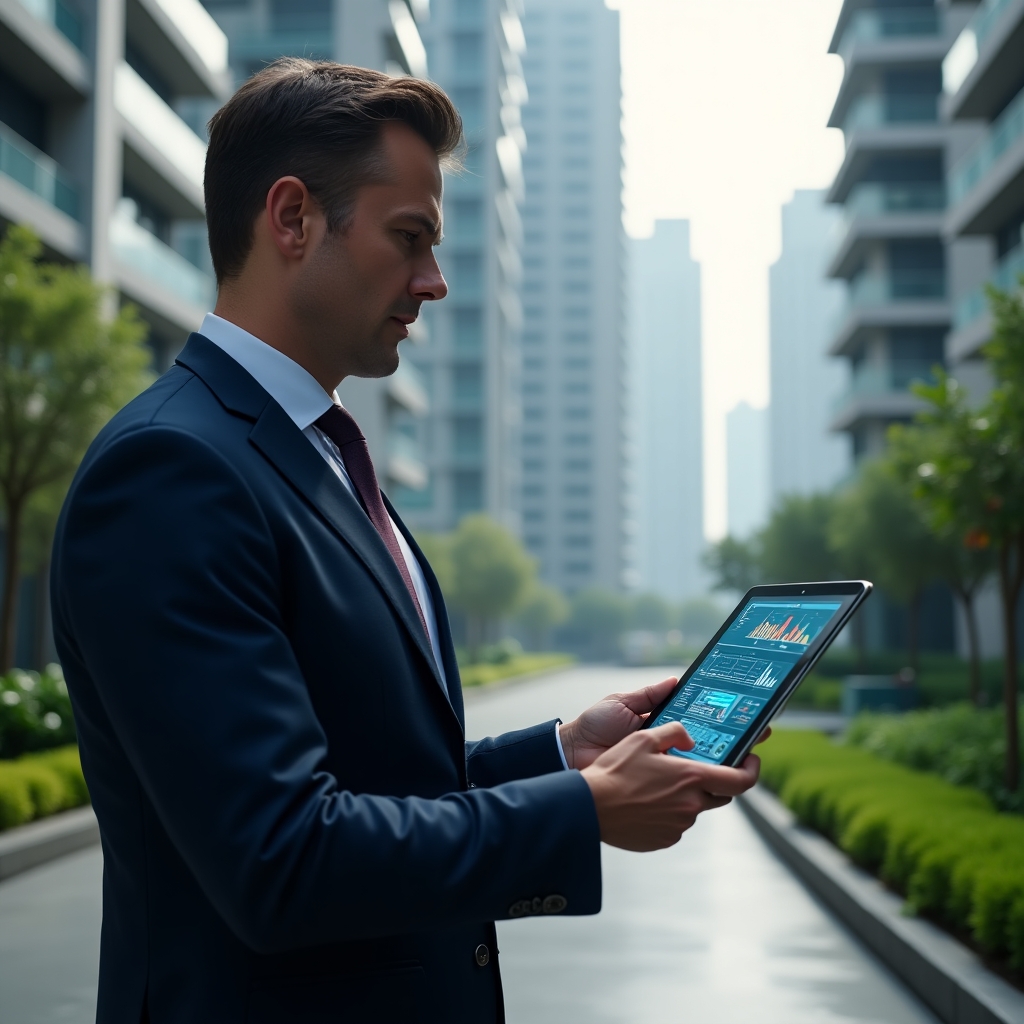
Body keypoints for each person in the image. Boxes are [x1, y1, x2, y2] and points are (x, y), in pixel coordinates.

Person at [51, 59, 762, 1024]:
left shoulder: (313, 456)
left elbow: (376, 785)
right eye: (409, 238)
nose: (433, 282)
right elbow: (283, 857)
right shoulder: (172, 472)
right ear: (293, 219)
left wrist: (562, 756)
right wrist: (584, 812)